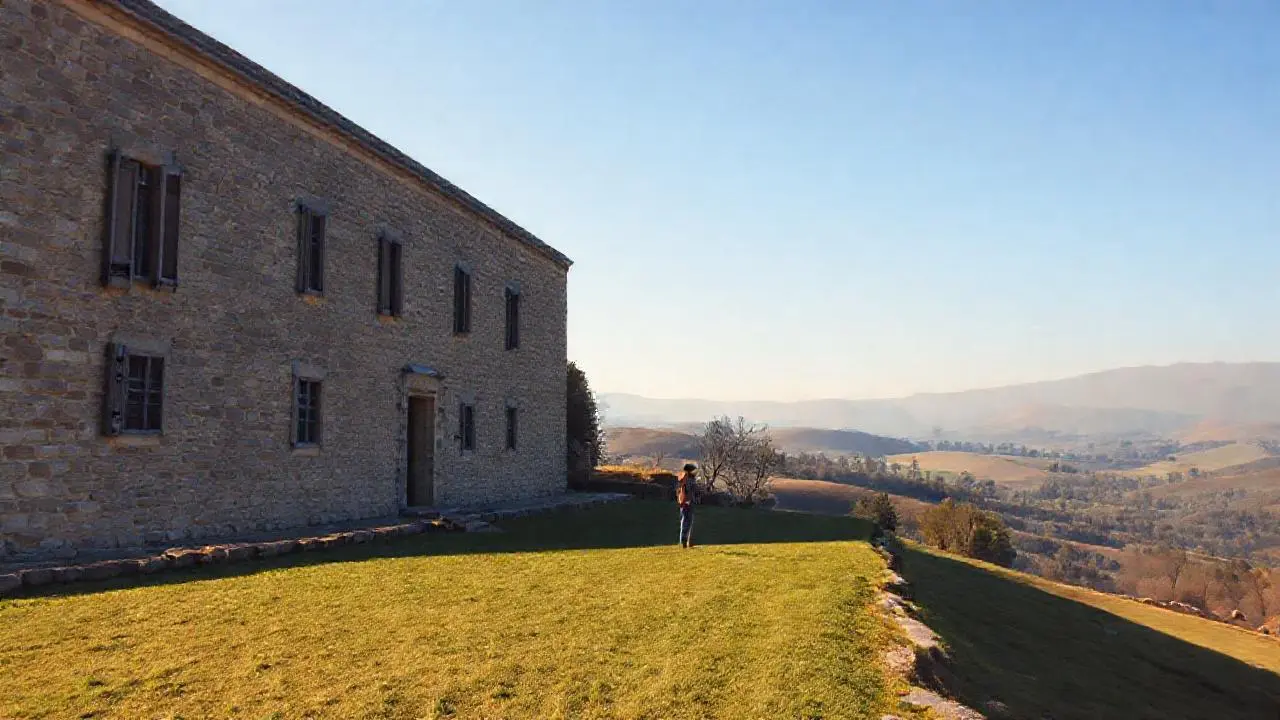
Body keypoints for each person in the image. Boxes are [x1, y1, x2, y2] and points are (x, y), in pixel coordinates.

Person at [676, 463, 698, 548]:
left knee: (685, 521)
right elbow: (689, 491)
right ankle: (685, 541)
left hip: (684, 502)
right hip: (688, 502)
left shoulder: (683, 479)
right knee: (687, 521)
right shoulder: (688, 480)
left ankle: (685, 541)